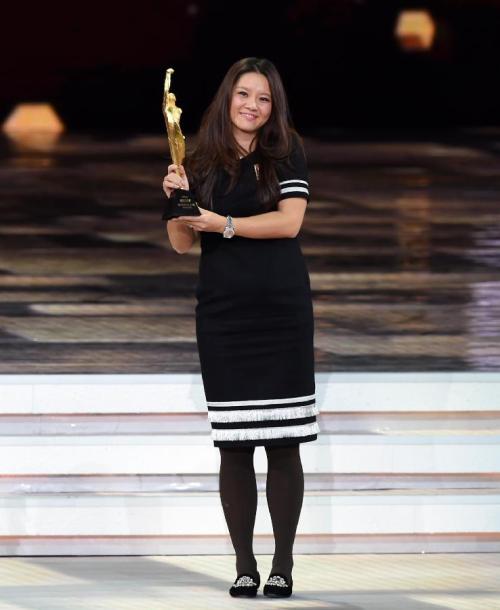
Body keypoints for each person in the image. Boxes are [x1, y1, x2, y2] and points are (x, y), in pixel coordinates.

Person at [162, 57, 319, 599]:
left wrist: (222, 223)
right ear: (227, 97)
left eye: (264, 98)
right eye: (244, 94)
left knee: (283, 442)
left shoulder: (286, 150)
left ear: (273, 107)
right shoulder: (196, 159)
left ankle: (282, 564)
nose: (253, 105)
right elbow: (183, 244)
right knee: (234, 445)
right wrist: (179, 202)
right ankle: (244, 565)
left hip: (281, 311)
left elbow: (289, 221)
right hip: (223, 314)